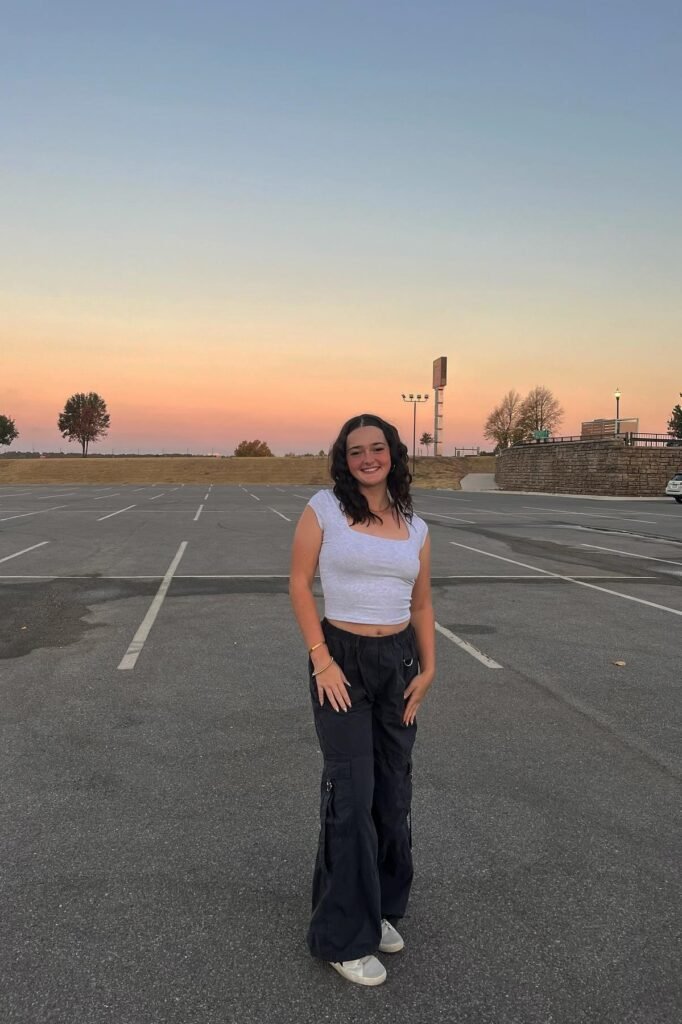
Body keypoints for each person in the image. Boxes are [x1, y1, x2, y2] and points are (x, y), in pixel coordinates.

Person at [289, 412, 435, 986]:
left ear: (393, 454)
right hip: (342, 661)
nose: (368, 458)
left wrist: (430, 668)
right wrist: (322, 658)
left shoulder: (416, 527)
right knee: (352, 791)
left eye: (378, 448)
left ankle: (378, 909)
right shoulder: (324, 509)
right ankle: (342, 936)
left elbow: (421, 604)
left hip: (398, 662)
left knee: (393, 793)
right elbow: (300, 583)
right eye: (356, 451)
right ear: (344, 459)